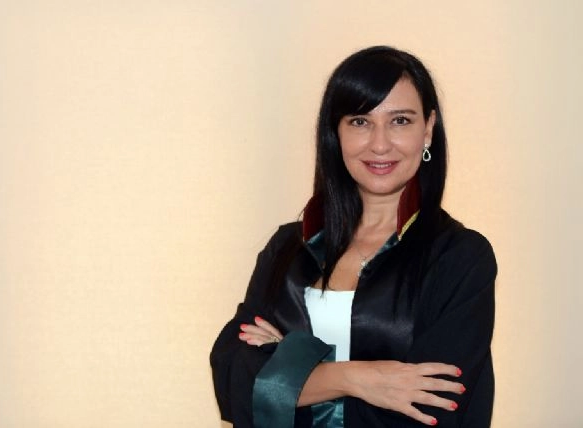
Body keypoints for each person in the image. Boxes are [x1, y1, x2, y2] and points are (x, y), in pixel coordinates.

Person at [210, 46, 496, 427]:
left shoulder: (461, 258)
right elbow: (232, 376)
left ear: (428, 129)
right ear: (336, 132)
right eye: (360, 121)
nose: (380, 144)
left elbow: (430, 412)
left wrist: (285, 370)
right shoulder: (288, 248)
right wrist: (359, 378)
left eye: (400, 121)